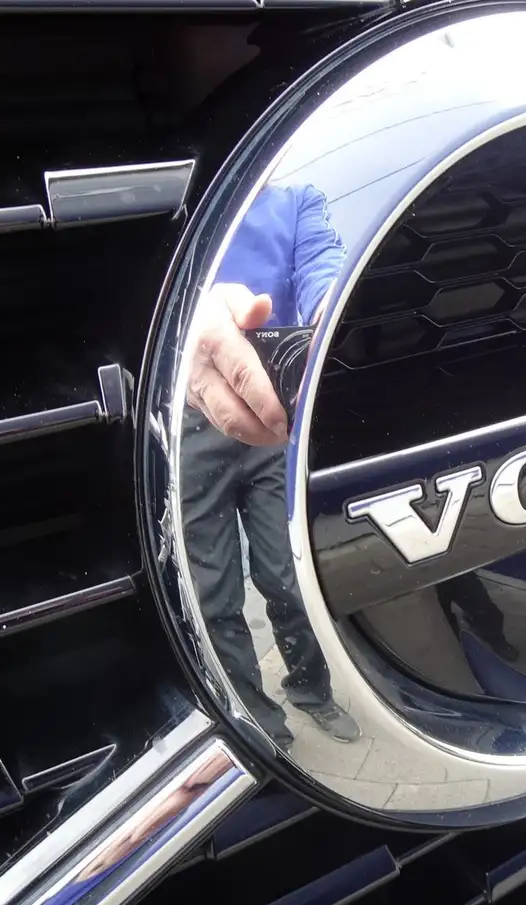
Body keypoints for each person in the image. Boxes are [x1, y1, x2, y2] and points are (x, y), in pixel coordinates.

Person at [180, 181, 359, 746]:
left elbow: (323, 263)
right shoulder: (176, 201)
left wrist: (337, 308)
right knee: (213, 594)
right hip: (191, 419)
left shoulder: (296, 199)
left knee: (290, 577)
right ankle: (259, 721)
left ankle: (311, 692)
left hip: (273, 419)